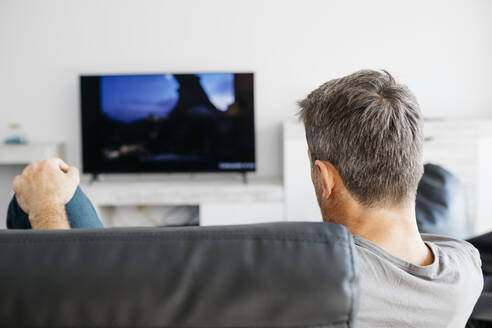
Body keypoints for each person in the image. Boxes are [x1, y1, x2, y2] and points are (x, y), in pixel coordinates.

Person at [8, 70, 484, 327]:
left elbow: (83, 304)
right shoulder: (464, 273)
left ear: (325, 177)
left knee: (48, 186)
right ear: (415, 169)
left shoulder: (294, 270)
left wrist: (48, 209)